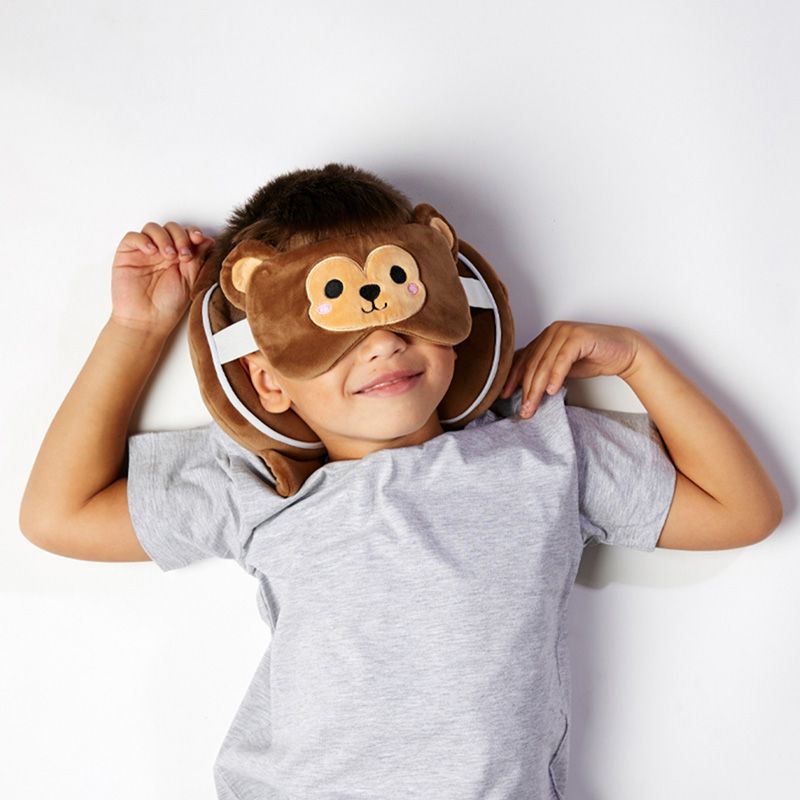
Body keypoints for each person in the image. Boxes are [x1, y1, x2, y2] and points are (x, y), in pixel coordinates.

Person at [19, 163, 783, 800]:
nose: (382, 342)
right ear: (269, 380)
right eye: (335, 332)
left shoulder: (541, 448)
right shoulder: (260, 480)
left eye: (401, 305)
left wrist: (637, 360)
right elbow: (57, 517)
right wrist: (137, 329)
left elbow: (741, 512)